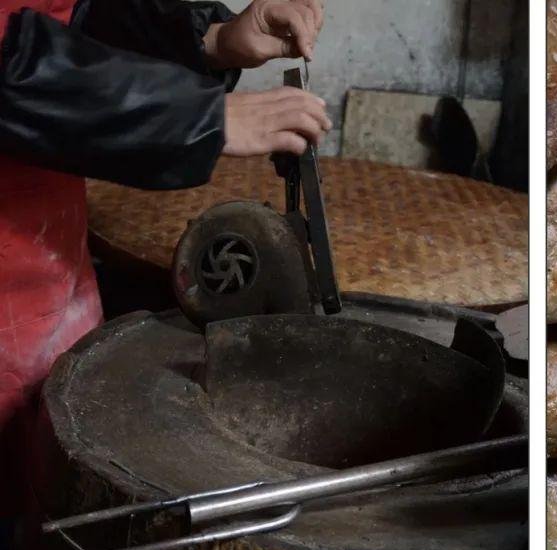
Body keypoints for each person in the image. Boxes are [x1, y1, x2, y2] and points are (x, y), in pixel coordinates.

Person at [0, 0, 332, 519]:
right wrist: (194, 114)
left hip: (48, 265)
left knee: (44, 500)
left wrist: (211, 40)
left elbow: (65, 18)